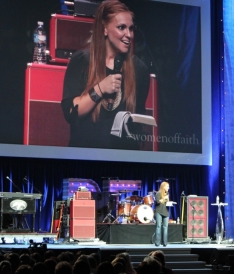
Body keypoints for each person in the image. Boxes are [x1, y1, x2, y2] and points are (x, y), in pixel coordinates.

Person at [62, 0, 150, 150]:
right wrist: (100, 89)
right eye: (121, 28)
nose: (128, 35)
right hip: (85, 157)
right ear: (104, 29)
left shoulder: (139, 70)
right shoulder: (82, 61)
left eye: (131, 29)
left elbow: (137, 124)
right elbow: (72, 113)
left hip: (123, 160)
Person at [154, 181, 170, 247]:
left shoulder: (167, 193)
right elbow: (157, 202)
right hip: (159, 211)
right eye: (167, 186)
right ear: (163, 187)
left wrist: (169, 202)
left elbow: (167, 202)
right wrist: (164, 198)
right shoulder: (158, 193)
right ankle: (157, 243)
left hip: (165, 211)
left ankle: (165, 243)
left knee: (165, 227)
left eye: (168, 186)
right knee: (158, 227)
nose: (168, 188)